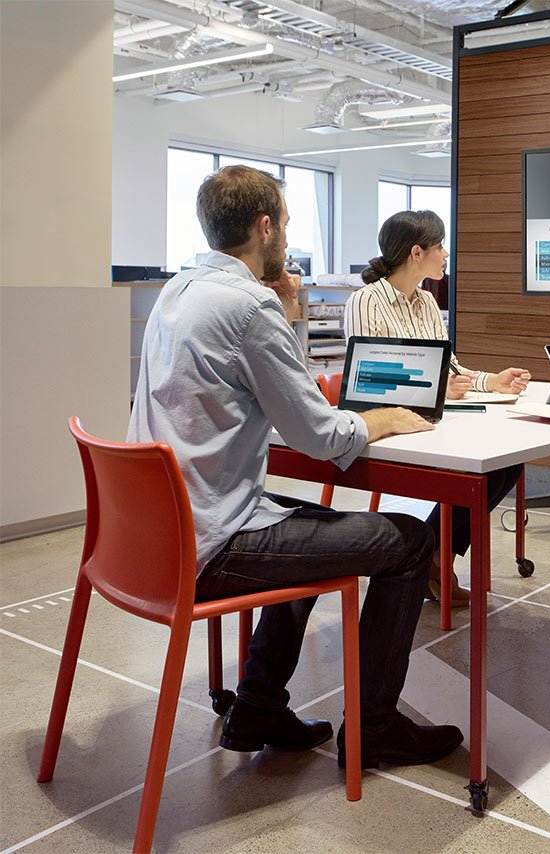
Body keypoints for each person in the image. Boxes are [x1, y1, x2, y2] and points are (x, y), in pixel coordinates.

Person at [128, 165, 463, 769]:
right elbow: (321, 436)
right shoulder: (249, 307)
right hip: (214, 541)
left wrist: (281, 311)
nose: (288, 232)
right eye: (284, 221)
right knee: (410, 541)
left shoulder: (177, 291)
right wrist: (384, 418)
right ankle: (376, 728)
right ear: (264, 227)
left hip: (159, 536)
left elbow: (277, 395)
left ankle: (256, 708)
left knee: (309, 525)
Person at [345, 210, 531, 607]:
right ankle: (431, 559)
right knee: (479, 468)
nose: (446, 254)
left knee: (506, 462)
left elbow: (451, 369)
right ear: (417, 253)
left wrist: (490, 381)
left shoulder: (427, 302)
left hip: (429, 420)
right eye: (440, 245)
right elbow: (371, 383)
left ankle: (434, 557)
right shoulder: (366, 301)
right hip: (388, 425)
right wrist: (433, 390)